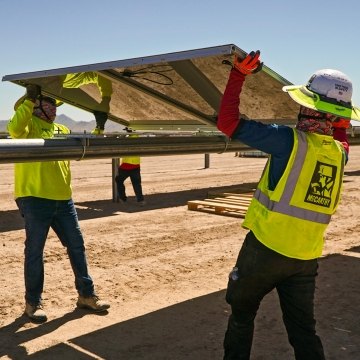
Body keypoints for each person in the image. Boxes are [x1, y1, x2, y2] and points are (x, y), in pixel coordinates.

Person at [217, 50, 356, 359]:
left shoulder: (287, 140)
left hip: (265, 250)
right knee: (303, 331)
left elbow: (227, 122)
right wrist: (339, 118)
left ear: (308, 106)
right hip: (306, 257)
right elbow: (342, 135)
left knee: (241, 317)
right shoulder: (340, 154)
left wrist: (238, 74)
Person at [7, 84, 110, 322]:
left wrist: (100, 125)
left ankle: (86, 295)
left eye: (54, 104)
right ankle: (32, 303)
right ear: (35, 107)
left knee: (77, 246)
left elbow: (85, 146)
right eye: (47, 103)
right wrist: (28, 101)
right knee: (35, 252)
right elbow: (14, 128)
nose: (53, 108)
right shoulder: (28, 127)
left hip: (64, 200)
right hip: (34, 198)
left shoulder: (61, 129)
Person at [115, 128, 146, 206]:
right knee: (136, 184)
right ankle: (140, 200)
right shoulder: (137, 138)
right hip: (136, 165)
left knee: (118, 180)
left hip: (126, 165)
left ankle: (123, 198)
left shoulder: (127, 139)